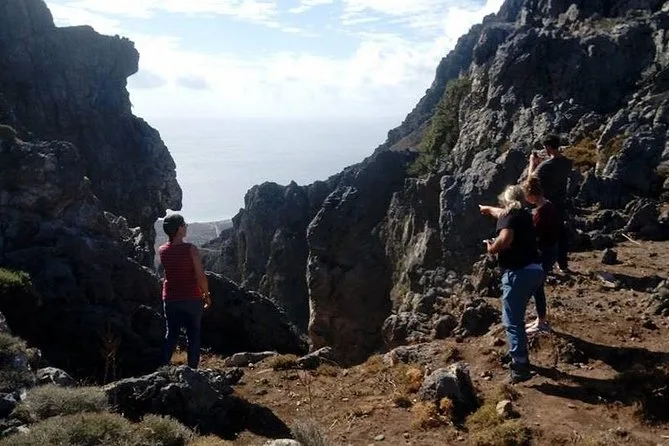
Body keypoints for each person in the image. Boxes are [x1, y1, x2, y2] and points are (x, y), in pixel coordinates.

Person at [479, 185, 544, 383]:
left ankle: (520, 367)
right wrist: (488, 209)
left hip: (518, 273)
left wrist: (492, 248)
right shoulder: (524, 215)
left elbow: (505, 239)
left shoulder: (509, 216)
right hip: (535, 271)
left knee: (512, 321)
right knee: (517, 317)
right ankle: (519, 354)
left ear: (505, 200)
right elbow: (502, 214)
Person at [159, 214, 211, 369]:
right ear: (179, 228)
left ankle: (163, 367)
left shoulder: (162, 250)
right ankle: (192, 371)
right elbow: (200, 275)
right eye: (184, 225)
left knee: (171, 334)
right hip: (192, 297)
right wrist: (206, 294)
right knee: (193, 335)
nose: (186, 227)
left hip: (171, 298)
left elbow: (167, 273)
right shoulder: (190, 249)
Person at [528, 134, 573, 273]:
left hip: (546, 206)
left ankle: (545, 265)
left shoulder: (545, 166)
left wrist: (533, 163)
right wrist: (542, 163)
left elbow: (531, 179)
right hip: (561, 203)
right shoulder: (567, 162)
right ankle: (563, 265)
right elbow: (554, 166)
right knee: (561, 233)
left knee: (544, 237)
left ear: (548, 147)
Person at [522, 176, 560, 334]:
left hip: (545, 252)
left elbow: (534, 236)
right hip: (551, 249)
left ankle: (542, 322)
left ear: (531, 196)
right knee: (538, 286)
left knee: (537, 286)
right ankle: (540, 319)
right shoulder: (548, 205)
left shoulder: (541, 213)